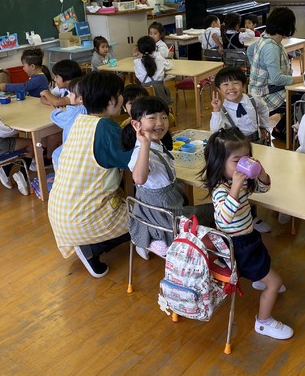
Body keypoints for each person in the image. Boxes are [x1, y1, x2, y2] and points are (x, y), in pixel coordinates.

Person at [200, 127, 292, 340]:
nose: (244, 162)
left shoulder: (237, 181)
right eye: (237, 160)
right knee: (275, 283)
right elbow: (223, 220)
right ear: (220, 163)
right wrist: (235, 189)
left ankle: (258, 277)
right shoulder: (222, 189)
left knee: (268, 241)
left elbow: (263, 189)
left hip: (248, 236)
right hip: (237, 245)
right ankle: (263, 322)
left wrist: (262, 174)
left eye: (247, 157)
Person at [47, 71, 133, 278]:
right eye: (120, 94)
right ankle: (93, 248)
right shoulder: (106, 127)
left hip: (59, 211)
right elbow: (134, 164)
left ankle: (89, 243)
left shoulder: (81, 120)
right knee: (146, 218)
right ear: (111, 100)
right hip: (81, 219)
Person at [122, 96, 214, 258]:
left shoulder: (156, 143)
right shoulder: (141, 151)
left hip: (162, 209)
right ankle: (160, 238)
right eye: (152, 118)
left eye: (164, 117)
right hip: (166, 216)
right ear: (136, 124)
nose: (160, 122)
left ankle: (155, 237)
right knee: (214, 210)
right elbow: (139, 178)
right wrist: (145, 144)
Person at [210, 66, 272, 233]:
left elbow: (264, 109)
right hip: (237, 150)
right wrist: (216, 111)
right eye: (225, 85)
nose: (231, 88)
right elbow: (215, 131)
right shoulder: (222, 109)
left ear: (244, 85)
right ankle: (251, 215)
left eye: (235, 83)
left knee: (258, 173)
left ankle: (258, 206)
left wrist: (264, 126)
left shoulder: (253, 99)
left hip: (256, 141)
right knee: (244, 180)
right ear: (219, 90)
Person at [246, 7, 304, 140]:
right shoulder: (271, 47)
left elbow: (249, 51)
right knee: (302, 99)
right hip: (265, 94)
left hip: (259, 90)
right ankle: (280, 130)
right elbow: (277, 79)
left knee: (299, 94)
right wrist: (302, 78)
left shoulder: (264, 37)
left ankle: (282, 129)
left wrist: (257, 67)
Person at [50, 76, 86, 170]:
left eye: (71, 93)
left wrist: (57, 110)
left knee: (56, 154)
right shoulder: (92, 110)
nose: (69, 96)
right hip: (85, 154)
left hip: (68, 155)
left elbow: (55, 117)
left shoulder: (73, 112)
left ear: (80, 99)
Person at [133, 35, 173, 105]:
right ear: (155, 48)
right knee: (167, 92)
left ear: (139, 49)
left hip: (145, 98)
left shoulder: (137, 62)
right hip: (160, 96)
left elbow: (138, 76)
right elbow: (169, 66)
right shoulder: (158, 58)